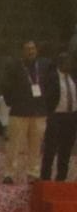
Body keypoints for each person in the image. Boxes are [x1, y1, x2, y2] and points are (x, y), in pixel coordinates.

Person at [2, 40, 55, 184]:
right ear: (22, 51)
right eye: (27, 49)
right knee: (14, 144)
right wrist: (12, 101)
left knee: (36, 145)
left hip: (39, 111)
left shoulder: (44, 66)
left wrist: (45, 104)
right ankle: (9, 173)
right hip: (19, 110)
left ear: (37, 50)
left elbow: (51, 86)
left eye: (33, 48)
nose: (31, 51)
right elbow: (6, 86)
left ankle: (33, 172)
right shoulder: (14, 66)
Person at [41, 53, 77, 182]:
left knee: (66, 149)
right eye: (67, 62)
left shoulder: (73, 78)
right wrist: (49, 112)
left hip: (71, 117)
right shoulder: (52, 77)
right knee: (50, 148)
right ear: (60, 63)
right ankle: (45, 178)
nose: (70, 65)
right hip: (56, 116)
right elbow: (46, 96)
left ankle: (61, 178)